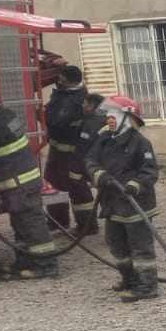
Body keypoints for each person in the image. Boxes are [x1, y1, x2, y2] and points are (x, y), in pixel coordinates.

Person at [0, 89, 58, 279]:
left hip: (19, 184)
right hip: (24, 181)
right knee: (20, 223)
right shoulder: (7, 115)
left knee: (32, 224)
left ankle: (46, 265)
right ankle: (24, 262)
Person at [85, 95, 160, 302]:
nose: (109, 118)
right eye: (108, 115)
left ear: (127, 118)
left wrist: (135, 185)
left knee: (139, 247)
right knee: (116, 245)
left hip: (136, 205)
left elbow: (150, 172)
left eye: (114, 115)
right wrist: (99, 174)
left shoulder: (140, 143)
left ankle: (147, 287)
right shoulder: (104, 140)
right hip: (112, 203)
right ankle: (129, 279)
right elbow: (90, 160)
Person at [41, 61, 97, 234]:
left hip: (72, 153)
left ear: (72, 82)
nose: (59, 82)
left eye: (62, 80)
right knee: (52, 183)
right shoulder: (65, 91)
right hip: (57, 150)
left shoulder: (76, 101)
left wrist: (36, 113)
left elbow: (56, 121)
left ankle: (87, 226)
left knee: (76, 185)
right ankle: (57, 222)